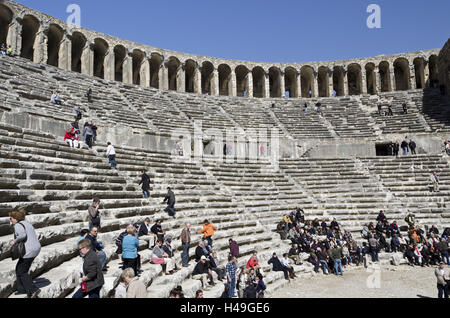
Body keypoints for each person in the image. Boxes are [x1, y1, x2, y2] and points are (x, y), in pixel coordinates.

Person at [9, 209, 41, 298]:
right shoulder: (27, 223)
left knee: (22, 271)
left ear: (15, 218)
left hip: (29, 250)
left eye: (11, 218)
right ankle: (21, 289)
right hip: (35, 248)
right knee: (19, 268)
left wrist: (14, 241)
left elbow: (22, 235)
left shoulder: (18, 225)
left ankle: (33, 290)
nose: (10, 220)